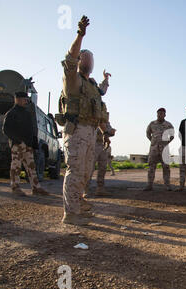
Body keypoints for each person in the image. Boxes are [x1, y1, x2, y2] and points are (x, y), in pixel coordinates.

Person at [59, 16, 111, 225]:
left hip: (91, 132)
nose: (88, 62)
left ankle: (78, 205)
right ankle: (70, 214)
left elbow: (99, 102)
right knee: (76, 170)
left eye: (91, 59)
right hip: (77, 130)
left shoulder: (92, 85)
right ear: (80, 61)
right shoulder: (73, 79)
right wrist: (80, 35)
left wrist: (105, 131)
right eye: (85, 58)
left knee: (86, 172)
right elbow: (70, 58)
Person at [2, 92, 49, 197]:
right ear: (17, 99)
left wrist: (33, 144)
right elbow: (6, 130)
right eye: (24, 99)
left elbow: (31, 130)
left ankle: (36, 188)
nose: (26, 101)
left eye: (27, 100)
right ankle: (15, 187)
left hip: (28, 145)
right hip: (17, 145)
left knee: (31, 167)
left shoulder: (27, 113)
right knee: (16, 167)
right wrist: (18, 141)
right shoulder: (11, 113)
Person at [144, 108, 174, 191]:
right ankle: (149, 185)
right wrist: (153, 141)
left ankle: (167, 185)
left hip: (164, 149)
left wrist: (166, 142)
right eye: (159, 113)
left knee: (166, 168)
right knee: (151, 167)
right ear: (157, 114)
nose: (160, 115)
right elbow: (147, 133)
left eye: (162, 113)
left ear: (165, 115)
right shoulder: (152, 124)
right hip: (154, 149)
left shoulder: (168, 125)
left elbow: (172, 136)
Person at [86, 119, 116, 197]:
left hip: (102, 145)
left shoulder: (106, 122)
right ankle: (85, 189)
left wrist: (111, 132)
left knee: (103, 167)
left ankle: (100, 188)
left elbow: (110, 131)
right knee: (89, 167)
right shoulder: (91, 118)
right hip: (92, 143)